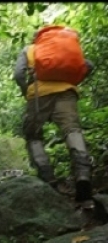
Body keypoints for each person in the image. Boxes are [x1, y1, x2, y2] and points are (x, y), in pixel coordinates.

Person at [13, 24, 95, 203]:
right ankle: (83, 176)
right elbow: (89, 65)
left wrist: (26, 90)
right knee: (72, 131)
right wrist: (73, 81)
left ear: (37, 38)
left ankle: (48, 179)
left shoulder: (30, 49)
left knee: (33, 136)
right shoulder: (68, 47)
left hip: (38, 95)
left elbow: (18, 74)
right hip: (67, 93)